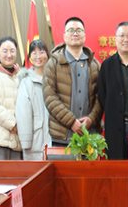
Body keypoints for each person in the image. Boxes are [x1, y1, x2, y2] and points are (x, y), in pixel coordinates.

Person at [43, 17, 102, 146]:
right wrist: (71, 122)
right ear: (64, 36)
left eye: (79, 30)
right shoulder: (53, 63)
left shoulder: (94, 64)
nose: (75, 34)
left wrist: (91, 119)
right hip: (62, 135)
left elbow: (101, 97)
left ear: (84, 36)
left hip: (89, 135)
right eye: (71, 30)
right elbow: (50, 97)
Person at [97, 22, 128, 159]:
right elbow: (102, 96)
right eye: (122, 35)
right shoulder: (107, 65)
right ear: (115, 39)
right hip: (115, 126)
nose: (126, 39)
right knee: (116, 166)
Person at [16, 39, 52, 160]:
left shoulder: (53, 78)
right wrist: (26, 141)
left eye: (41, 52)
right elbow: (23, 113)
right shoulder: (26, 81)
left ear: (47, 54)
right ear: (30, 57)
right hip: (35, 142)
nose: (38, 56)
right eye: (34, 53)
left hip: (55, 141)